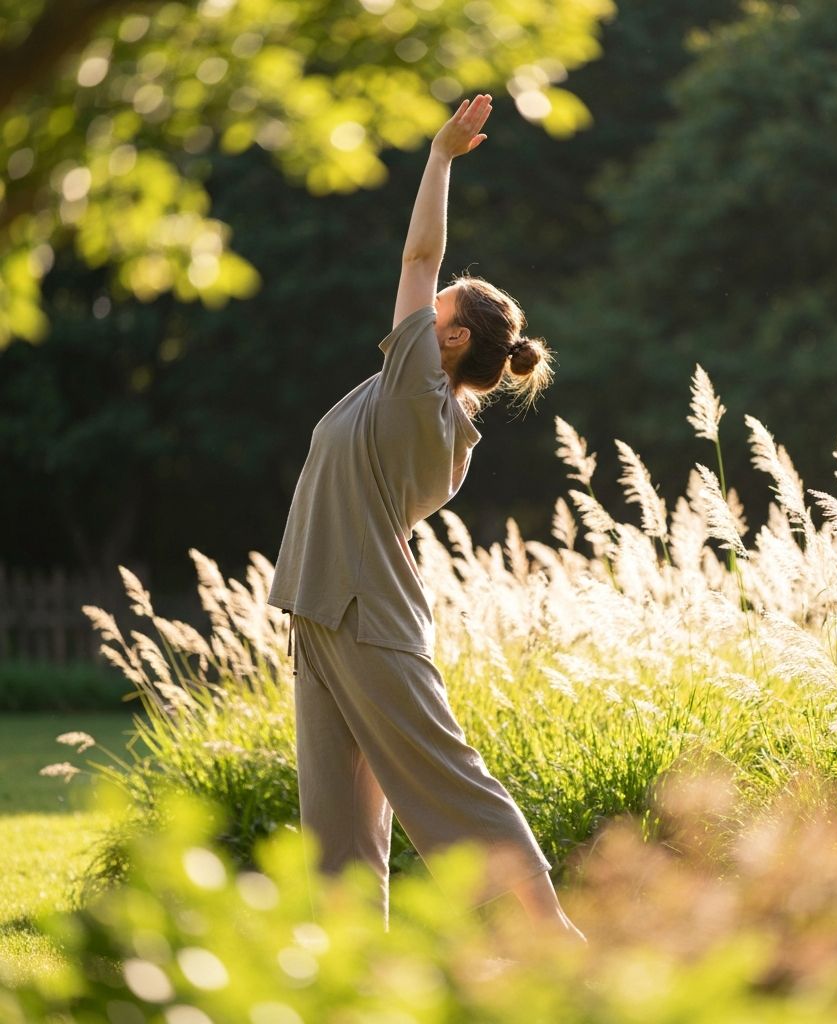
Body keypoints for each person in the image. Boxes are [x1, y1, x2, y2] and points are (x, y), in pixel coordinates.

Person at [267, 93, 586, 943]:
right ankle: (350, 978)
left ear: (446, 342)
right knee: (337, 828)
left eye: (438, 306)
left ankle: (553, 938)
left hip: (366, 617)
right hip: (323, 612)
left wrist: (440, 158)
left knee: (450, 784)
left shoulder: (419, 394)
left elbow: (417, 251)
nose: (422, 302)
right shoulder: (409, 396)